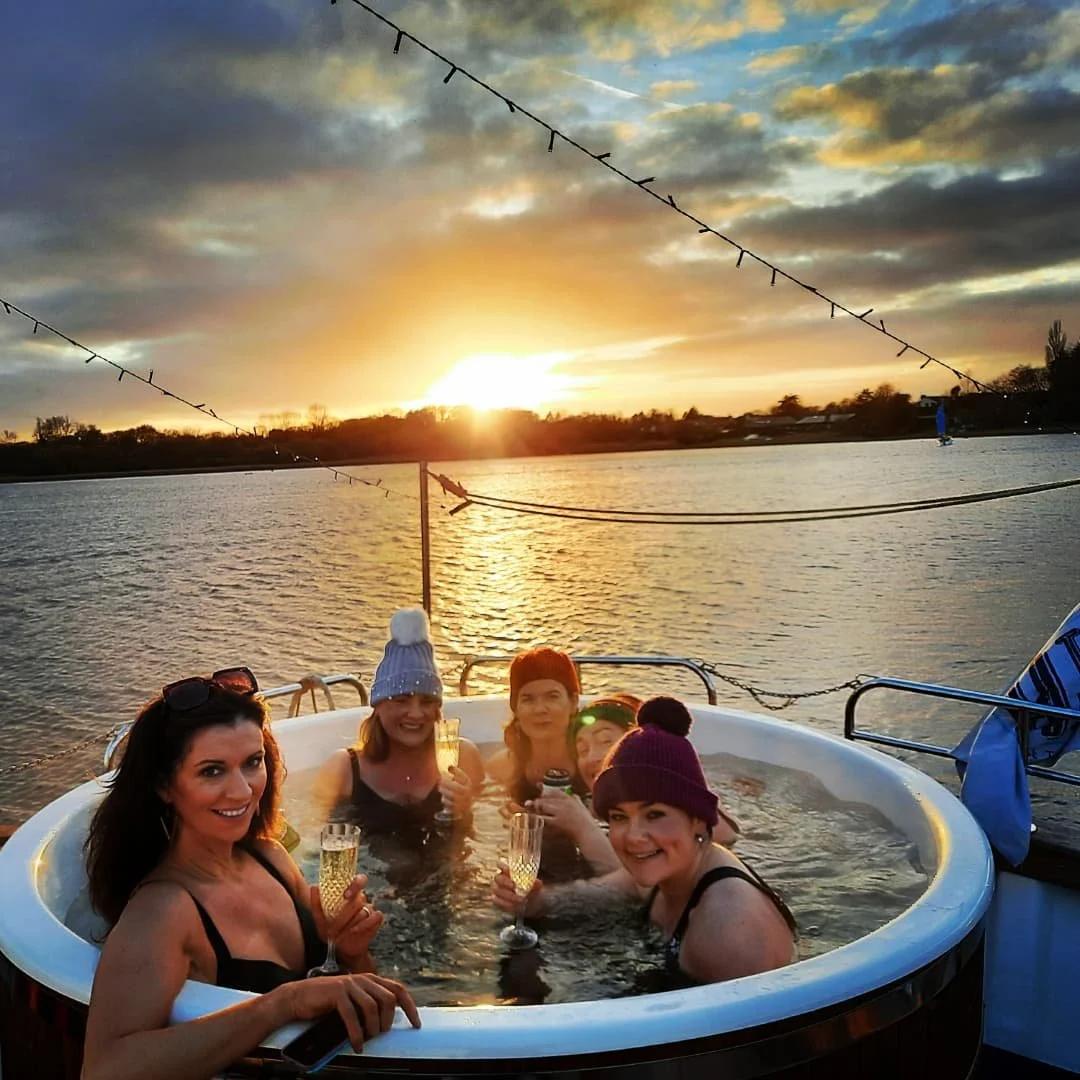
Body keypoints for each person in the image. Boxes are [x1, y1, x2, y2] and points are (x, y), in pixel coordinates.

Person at [82, 667, 420, 1080]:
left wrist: (350, 953)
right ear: (165, 786)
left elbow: (355, 999)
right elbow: (104, 1068)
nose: (242, 790)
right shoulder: (164, 910)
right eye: (212, 771)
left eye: (252, 762)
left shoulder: (271, 858)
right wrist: (281, 1004)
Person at [494, 696, 794, 987]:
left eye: (655, 814)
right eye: (619, 816)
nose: (634, 836)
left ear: (698, 820)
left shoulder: (727, 934)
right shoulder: (668, 870)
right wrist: (537, 901)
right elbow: (593, 892)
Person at [315, 608, 484, 833]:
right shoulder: (343, 769)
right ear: (378, 705)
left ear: (438, 707)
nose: (415, 713)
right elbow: (315, 842)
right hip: (369, 866)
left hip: (447, 867)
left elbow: (483, 836)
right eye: (401, 701)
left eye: (426, 701)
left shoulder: (464, 758)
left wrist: (464, 814)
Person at [485, 647, 585, 804]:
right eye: (528, 699)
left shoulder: (593, 765)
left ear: (573, 702)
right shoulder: (500, 769)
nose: (539, 709)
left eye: (552, 697)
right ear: (515, 707)